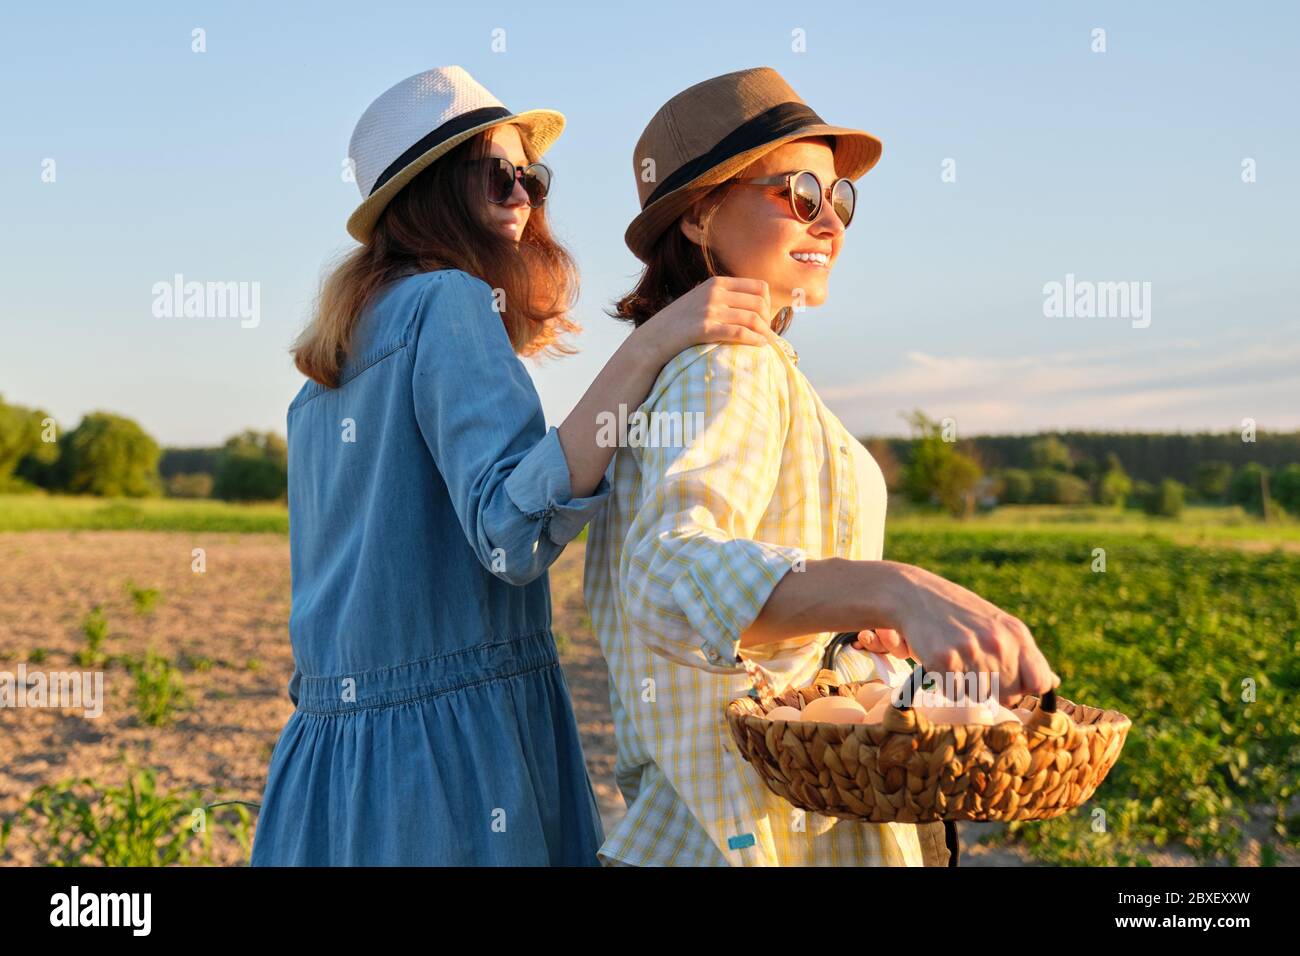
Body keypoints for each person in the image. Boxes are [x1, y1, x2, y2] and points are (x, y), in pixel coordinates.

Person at [249, 65, 768, 865]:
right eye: (501, 174)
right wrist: (656, 340)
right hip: (450, 769)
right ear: (435, 191)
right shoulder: (446, 301)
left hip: (328, 770)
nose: (526, 195)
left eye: (534, 175)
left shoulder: (324, 374)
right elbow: (510, 532)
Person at [585, 67, 1060, 867]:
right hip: (747, 836)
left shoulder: (744, 367)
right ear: (701, 214)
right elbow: (665, 572)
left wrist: (848, 630)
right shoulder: (725, 365)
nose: (829, 221)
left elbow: (745, 616)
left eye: (839, 200)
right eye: (800, 192)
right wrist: (895, 588)